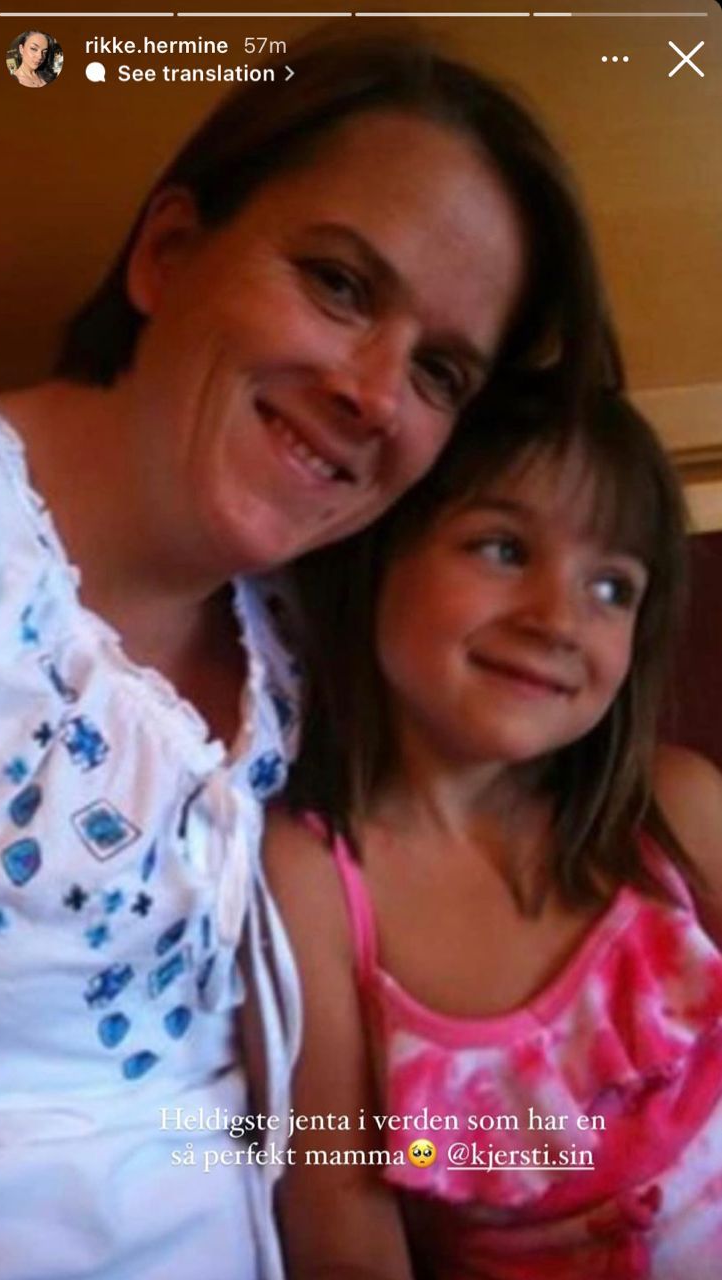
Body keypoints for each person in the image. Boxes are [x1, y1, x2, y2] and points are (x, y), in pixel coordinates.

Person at [0, 28, 617, 1280]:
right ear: (168, 253)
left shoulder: (332, 631)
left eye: (439, 371)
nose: (374, 394)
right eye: (338, 284)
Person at [269, 376, 722, 1279]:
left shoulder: (674, 808)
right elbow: (341, 1217)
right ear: (378, 550)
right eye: (502, 549)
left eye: (610, 586)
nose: (557, 620)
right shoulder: (312, 876)